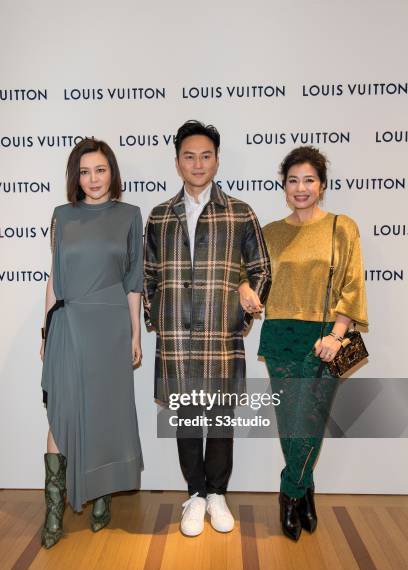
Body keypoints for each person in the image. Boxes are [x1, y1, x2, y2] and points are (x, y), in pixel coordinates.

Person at [144, 120, 271, 537]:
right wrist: (157, 317)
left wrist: (244, 308)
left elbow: (261, 270)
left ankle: (217, 493)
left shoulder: (239, 212)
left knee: (219, 417)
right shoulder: (161, 216)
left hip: (220, 333)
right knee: (186, 415)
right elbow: (146, 275)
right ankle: (194, 494)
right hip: (177, 337)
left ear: (217, 159)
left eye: (206, 155)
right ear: (177, 162)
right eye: (189, 156)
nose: (198, 163)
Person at [244, 146, 368, 541]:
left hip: (326, 337)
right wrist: (244, 288)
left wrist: (338, 334)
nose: (301, 188)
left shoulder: (341, 227)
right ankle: (305, 490)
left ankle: (290, 492)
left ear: (322, 185)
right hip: (281, 334)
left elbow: (352, 283)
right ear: (284, 186)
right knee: (291, 424)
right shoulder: (269, 233)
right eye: (293, 181)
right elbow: (248, 276)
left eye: (309, 180)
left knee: (311, 421)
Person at [40, 138, 144, 548]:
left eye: (100, 170)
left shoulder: (131, 216)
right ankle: (53, 511)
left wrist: (135, 334)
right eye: (84, 171)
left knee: (105, 412)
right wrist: (45, 333)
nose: (93, 179)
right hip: (69, 323)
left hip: (111, 326)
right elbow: (54, 278)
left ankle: (102, 496)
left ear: (112, 173)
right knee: (61, 414)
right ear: (75, 177)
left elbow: (133, 282)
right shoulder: (61, 216)